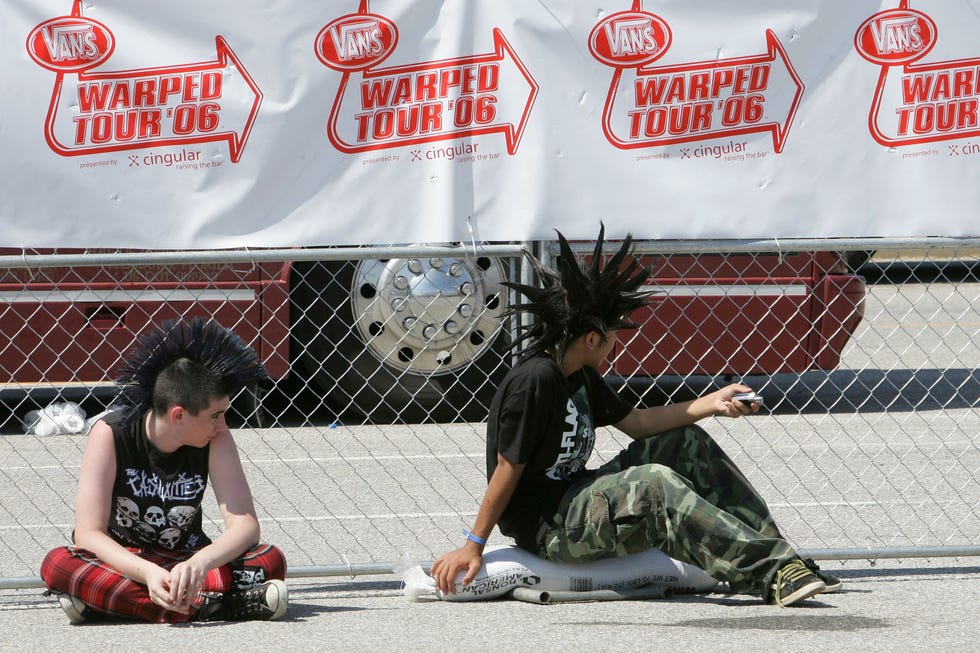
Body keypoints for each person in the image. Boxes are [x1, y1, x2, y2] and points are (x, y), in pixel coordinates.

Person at [431, 225, 841, 606]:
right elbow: (507, 467)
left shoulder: (580, 375)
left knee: (683, 441)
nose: (613, 344)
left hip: (578, 497)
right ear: (592, 337)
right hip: (551, 527)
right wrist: (473, 544)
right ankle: (768, 574)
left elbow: (639, 424)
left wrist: (712, 403)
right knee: (654, 483)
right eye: (611, 335)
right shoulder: (535, 381)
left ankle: (785, 557)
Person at [41, 317, 288, 623]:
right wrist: (148, 573)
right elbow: (89, 533)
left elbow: (246, 526)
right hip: (128, 560)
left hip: (188, 561)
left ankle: (110, 602)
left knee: (270, 559)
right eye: (216, 415)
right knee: (58, 563)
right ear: (179, 415)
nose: (223, 424)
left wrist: (200, 564)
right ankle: (217, 607)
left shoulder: (217, 439)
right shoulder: (110, 432)